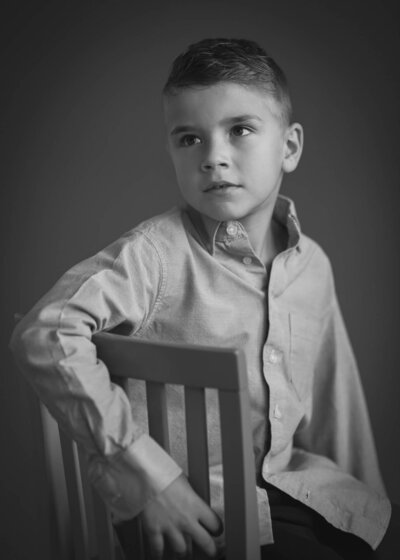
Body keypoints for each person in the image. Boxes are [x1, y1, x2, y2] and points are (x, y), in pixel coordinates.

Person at [10, 38, 392, 559]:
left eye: (240, 130)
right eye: (189, 138)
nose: (213, 157)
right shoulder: (153, 256)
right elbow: (45, 332)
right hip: (190, 512)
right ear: (171, 150)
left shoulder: (312, 266)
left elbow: (335, 410)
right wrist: (151, 477)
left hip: (291, 494)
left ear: (290, 147)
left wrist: (369, 514)